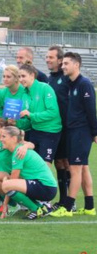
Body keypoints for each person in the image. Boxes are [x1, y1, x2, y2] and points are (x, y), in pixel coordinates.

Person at [51, 52, 97, 217]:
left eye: (66, 64)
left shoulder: (84, 84)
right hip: (73, 131)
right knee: (83, 168)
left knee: (75, 169)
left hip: (81, 131)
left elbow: (91, 110)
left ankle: (68, 207)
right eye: (62, 64)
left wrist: (94, 132)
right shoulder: (71, 85)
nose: (63, 66)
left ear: (76, 65)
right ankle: (90, 207)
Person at [1, 126, 57, 220]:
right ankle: (41, 207)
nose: (1, 139)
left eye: (4, 136)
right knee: (7, 183)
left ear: (14, 138)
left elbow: (11, 183)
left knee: (6, 184)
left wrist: (5, 205)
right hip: (47, 187)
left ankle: (36, 209)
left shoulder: (18, 152)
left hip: (46, 187)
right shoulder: (20, 149)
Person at [19, 63, 62, 164]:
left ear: (32, 75)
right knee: (33, 164)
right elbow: (27, 120)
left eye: (23, 76)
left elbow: (53, 112)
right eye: (19, 76)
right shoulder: (24, 93)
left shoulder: (45, 88)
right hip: (35, 130)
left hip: (50, 131)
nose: (21, 79)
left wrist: (31, 115)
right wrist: (15, 122)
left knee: (45, 165)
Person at [46, 46, 71, 210]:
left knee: (67, 163)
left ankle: (71, 201)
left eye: (51, 57)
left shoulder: (67, 78)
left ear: (60, 60)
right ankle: (62, 201)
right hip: (55, 128)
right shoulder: (50, 79)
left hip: (68, 127)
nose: (48, 60)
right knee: (58, 163)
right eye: (47, 57)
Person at [0, 65, 31, 132]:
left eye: (8, 77)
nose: (5, 79)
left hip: (25, 130)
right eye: (4, 76)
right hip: (8, 129)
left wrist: (17, 122)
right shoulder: (3, 93)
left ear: (16, 78)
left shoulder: (25, 92)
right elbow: (2, 112)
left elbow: (29, 119)